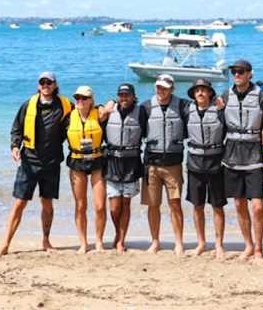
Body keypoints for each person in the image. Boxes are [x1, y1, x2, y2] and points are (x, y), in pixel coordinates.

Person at [0, 72, 73, 257]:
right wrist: (15, 146)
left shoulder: (65, 105)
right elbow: (17, 128)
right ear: (38, 86)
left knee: (47, 203)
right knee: (19, 203)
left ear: (55, 85)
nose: (46, 85)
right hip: (29, 160)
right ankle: (5, 243)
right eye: (42, 82)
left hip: (52, 161)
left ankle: (46, 240)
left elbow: (84, 113)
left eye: (49, 82)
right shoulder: (28, 105)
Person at [220, 59, 263, 260]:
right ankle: (248, 245)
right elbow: (221, 125)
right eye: (234, 72)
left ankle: (258, 247)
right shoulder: (225, 96)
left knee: (257, 206)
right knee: (239, 204)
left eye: (241, 71)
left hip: (254, 156)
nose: (237, 75)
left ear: (250, 73)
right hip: (231, 155)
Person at [141, 73, 190, 256]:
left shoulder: (184, 106)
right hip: (151, 164)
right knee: (153, 205)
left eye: (165, 88)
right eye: (159, 87)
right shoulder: (145, 107)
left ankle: (178, 242)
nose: (161, 91)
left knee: (175, 204)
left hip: (173, 164)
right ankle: (155, 241)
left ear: (172, 89)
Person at [184, 78, 227, 257]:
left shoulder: (220, 111)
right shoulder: (186, 110)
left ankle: (219, 244)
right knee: (197, 205)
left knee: (217, 205)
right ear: (194, 94)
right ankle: (201, 242)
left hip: (215, 162)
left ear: (210, 92)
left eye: (204, 90)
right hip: (194, 163)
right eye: (197, 90)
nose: (200, 93)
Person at [102, 83, 147, 254]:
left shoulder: (141, 112)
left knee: (126, 204)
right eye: (121, 95)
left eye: (127, 95)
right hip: (112, 162)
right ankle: (117, 233)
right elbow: (96, 125)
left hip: (131, 163)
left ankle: (121, 240)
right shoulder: (109, 110)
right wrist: (104, 111)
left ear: (134, 96)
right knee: (114, 207)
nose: (124, 98)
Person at [64, 85, 108, 254]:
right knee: (81, 206)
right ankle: (83, 242)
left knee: (99, 206)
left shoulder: (99, 114)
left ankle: (98, 241)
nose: (80, 101)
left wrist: (105, 104)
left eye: (84, 98)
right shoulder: (68, 117)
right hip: (77, 162)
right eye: (77, 98)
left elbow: (114, 102)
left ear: (91, 101)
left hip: (97, 162)